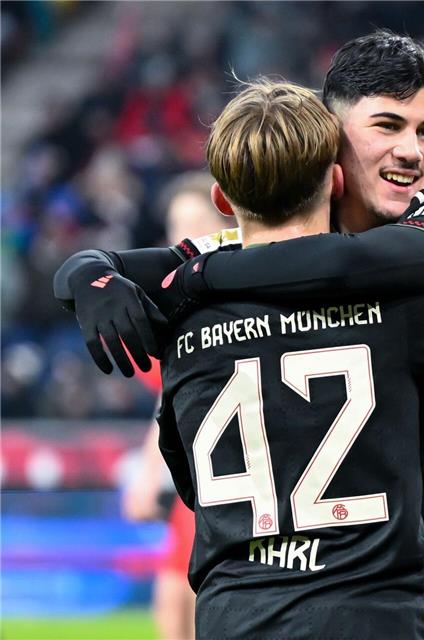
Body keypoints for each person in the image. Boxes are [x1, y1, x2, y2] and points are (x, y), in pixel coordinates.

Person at [56, 31, 424, 639]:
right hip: (377, 594)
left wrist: (197, 277)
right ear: (331, 138)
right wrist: (86, 272)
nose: (412, 153)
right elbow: (110, 264)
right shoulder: (407, 301)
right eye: (388, 126)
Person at [122, 172, 232, 640]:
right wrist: (147, 476)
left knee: (181, 596)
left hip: (229, 474)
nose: (184, 236)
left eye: (196, 222)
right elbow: (169, 403)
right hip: (199, 474)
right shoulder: (172, 309)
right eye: (175, 225)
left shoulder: (228, 302)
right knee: (174, 599)